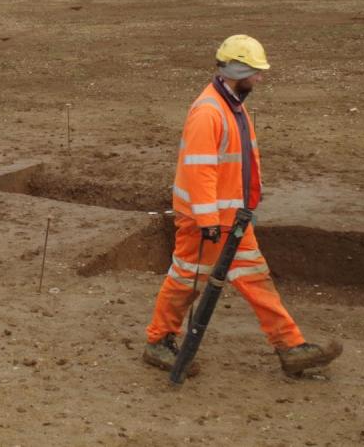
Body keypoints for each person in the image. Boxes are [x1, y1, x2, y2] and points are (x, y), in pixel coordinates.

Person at [143, 35, 342, 378]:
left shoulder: (233, 104)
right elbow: (200, 168)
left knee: (254, 277)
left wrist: (249, 199)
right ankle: (159, 341)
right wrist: (207, 220)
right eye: (256, 71)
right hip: (208, 221)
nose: (260, 78)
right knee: (186, 279)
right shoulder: (208, 112)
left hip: (231, 218)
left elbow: (241, 159)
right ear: (238, 70)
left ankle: (290, 347)